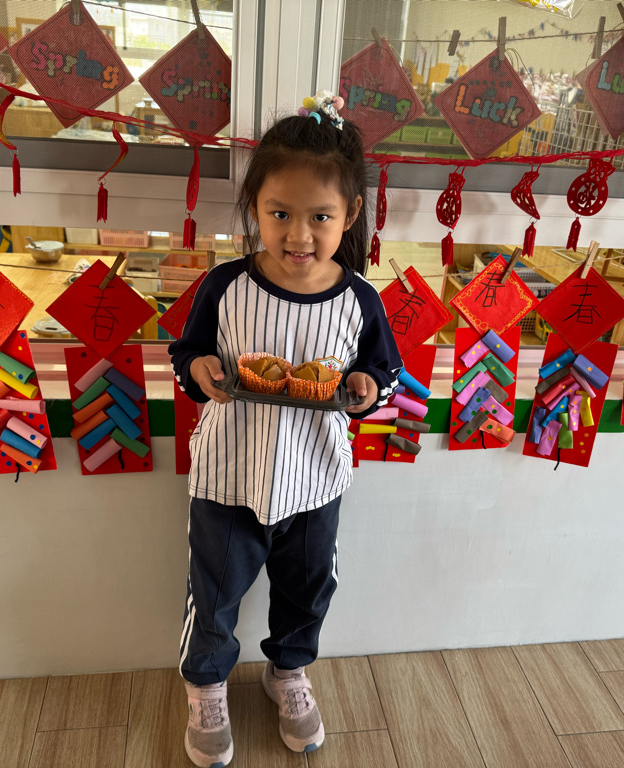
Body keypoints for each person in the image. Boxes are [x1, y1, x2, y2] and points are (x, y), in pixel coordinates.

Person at [168, 91, 402, 768]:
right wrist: (201, 370)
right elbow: (187, 355)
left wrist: (366, 389)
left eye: (319, 217)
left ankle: (289, 671)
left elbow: (384, 372)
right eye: (280, 214)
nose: (299, 235)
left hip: (315, 479)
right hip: (229, 475)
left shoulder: (360, 299)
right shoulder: (224, 285)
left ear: (349, 215)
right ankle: (206, 686)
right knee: (214, 592)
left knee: (308, 587)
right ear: (255, 208)